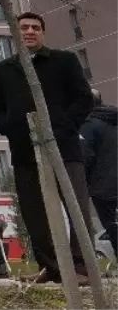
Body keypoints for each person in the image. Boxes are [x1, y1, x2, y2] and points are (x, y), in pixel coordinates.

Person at [0, 11, 94, 284]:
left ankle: (81, 266)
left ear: (42, 33)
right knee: (34, 211)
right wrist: (9, 127)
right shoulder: (5, 69)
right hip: (24, 152)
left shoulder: (64, 61)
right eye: (24, 28)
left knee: (76, 206)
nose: (30, 32)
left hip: (64, 148)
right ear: (15, 33)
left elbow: (83, 98)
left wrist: (63, 127)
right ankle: (50, 266)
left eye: (35, 27)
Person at [80, 90, 118, 250]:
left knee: (113, 229)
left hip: (104, 190)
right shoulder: (113, 119)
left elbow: (84, 156)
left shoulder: (88, 125)